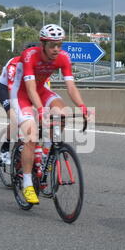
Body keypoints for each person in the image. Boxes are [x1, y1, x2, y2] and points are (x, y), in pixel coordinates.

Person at [11, 24, 89, 204]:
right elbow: (30, 89)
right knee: (31, 135)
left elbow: (71, 86)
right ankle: (28, 184)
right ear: (43, 44)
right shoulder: (30, 55)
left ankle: (47, 152)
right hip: (21, 94)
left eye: (59, 45)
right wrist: (40, 110)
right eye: (52, 45)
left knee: (62, 113)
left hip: (42, 90)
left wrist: (82, 106)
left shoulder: (63, 58)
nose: (56, 49)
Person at [0, 42, 41, 165]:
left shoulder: (40, 66)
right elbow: (13, 90)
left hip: (26, 92)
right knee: (15, 119)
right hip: (6, 90)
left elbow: (42, 90)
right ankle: (5, 148)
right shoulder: (14, 64)